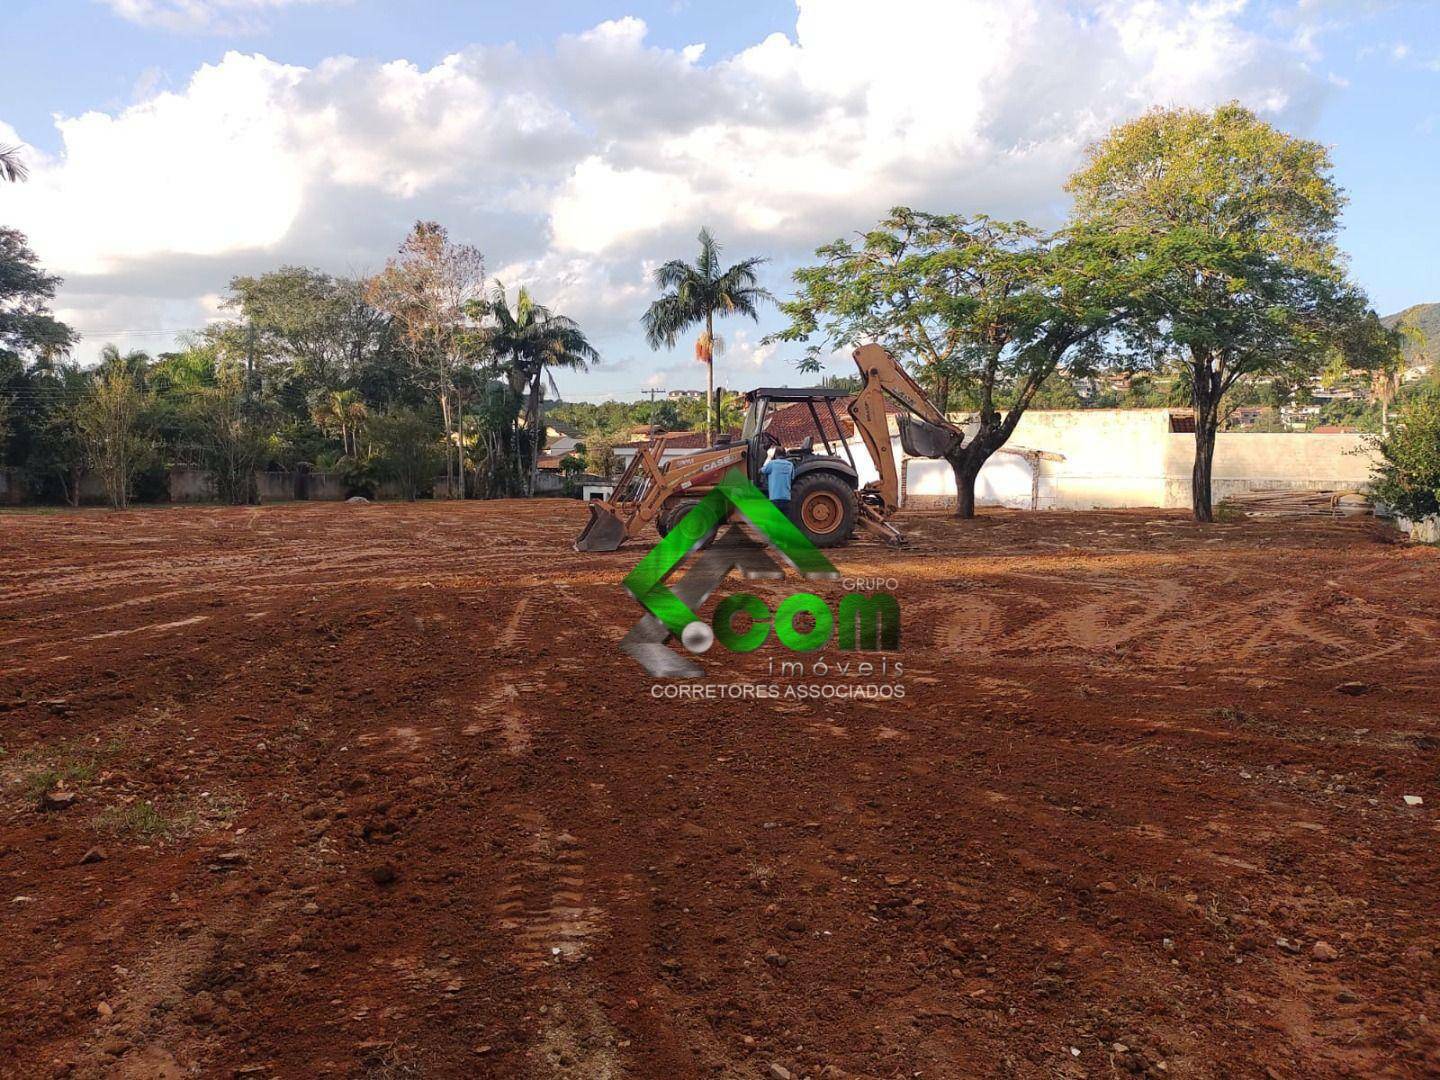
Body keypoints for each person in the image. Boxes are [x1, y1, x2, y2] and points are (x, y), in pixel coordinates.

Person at [759, 446, 795, 520]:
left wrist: (769, 457)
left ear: (775, 454)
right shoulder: (790, 465)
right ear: (785, 455)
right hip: (786, 498)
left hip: (774, 498)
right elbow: (792, 478)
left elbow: (761, 471)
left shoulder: (772, 464)